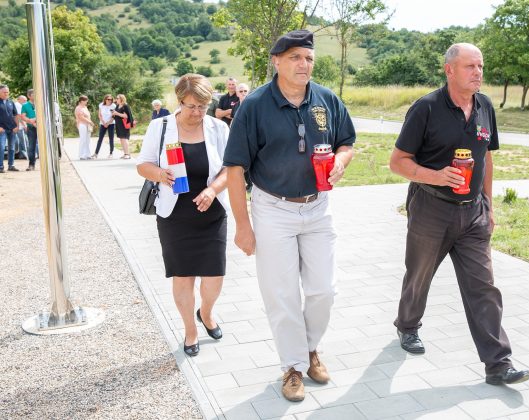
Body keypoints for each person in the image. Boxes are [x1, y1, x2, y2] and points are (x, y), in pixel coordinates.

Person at [223, 30, 355, 402]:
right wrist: (243, 225)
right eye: (295, 57)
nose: (303, 64)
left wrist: (341, 161)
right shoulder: (254, 105)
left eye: (308, 58)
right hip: (273, 209)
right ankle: (294, 367)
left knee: (324, 290)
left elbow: (347, 142)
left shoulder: (326, 99)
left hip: (318, 207)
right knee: (281, 294)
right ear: (276, 61)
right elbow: (235, 169)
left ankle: (310, 348)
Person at [389, 43, 529, 386]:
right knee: (419, 274)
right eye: (470, 66)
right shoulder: (425, 108)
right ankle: (408, 325)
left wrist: (489, 205)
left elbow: (486, 157)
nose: (478, 72)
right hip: (431, 207)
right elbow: (398, 162)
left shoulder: (485, 106)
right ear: (449, 70)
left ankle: (498, 364)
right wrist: (436, 176)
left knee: (483, 287)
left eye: (480, 66)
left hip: (473, 213)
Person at [137, 73, 230, 358]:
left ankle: (206, 312)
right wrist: (159, 174)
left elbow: (231, 169)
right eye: (192, 106)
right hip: (174, 214)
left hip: (212, 212)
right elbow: (143, 165)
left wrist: (213, 190)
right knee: (183, 276)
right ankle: (190, 329)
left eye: (203, 106)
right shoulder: (160, 127)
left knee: (214, 276)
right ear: (179, 102)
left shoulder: (218, 128)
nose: (198, 112)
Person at [0, 85, 21, 173]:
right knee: (1, 148)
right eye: (4, 92)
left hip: (12, 129)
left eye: (7, 92)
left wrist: (17, 126)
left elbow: (15, 115)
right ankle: (0, 166)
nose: (6, 94)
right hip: (2, 130)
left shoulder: (11, 102)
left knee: (12, 148)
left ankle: (11, 165)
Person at [93, 94, 116, 159]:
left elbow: (113, 116)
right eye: (108, 99)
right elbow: (99, 115)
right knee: (100, 139)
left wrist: (108, 123)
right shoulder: (101, 105)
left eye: (111, 99)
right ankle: (96, 153)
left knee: (111, 139)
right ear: (105, 99)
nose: (110, 101)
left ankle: (111, 153)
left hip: (111, 124)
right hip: (102, 124)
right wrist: (103, 122)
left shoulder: (113, 106)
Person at [21, 89, 38, 171]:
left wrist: (35, 119)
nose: (36, 95)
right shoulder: (25, 105)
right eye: (34, 94)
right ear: (29, 96)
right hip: (31, 128)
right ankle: (31, 165)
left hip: (42, 128)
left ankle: (47, 164)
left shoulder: (41, 103)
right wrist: (31, 121)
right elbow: (23, 116)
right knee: (31, 147)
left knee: (45, 146)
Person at [112, 94, 133, 159]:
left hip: (124, 125)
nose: (116, 99)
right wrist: (114, 113)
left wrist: (117, 113)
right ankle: (125, 153)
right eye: (116, 98)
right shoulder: (117, 105)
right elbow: (117, 114)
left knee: (124, 138)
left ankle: (128, 154)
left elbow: (126, 116)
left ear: (121, 99)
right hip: (118, 124)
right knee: (121, 139)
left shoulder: (125, 106)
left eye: (117, 98)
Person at [75, 95, 94, 160]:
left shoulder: (85, 107)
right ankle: (81, 155)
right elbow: (81, 117)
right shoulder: (78, 108)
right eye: (85, 100)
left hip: (88, 125)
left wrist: (90, 122)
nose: (86, 102)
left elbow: (88, 116)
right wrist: (90, 122)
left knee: (87, 140)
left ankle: (87, 154)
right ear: (81, 101)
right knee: (83, 139)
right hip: (82, 125)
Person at [14, 95, 28, 160]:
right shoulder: (18, 105)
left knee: (21, 141)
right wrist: (24, 125)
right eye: (24, 100)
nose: (25, 102)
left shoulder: (19, 105)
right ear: (19, 100)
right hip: (20, 126)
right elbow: (19, 116)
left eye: (26, 100)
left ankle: (21, 155)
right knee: (24, 141)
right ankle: (25, 155)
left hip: (19, 126)